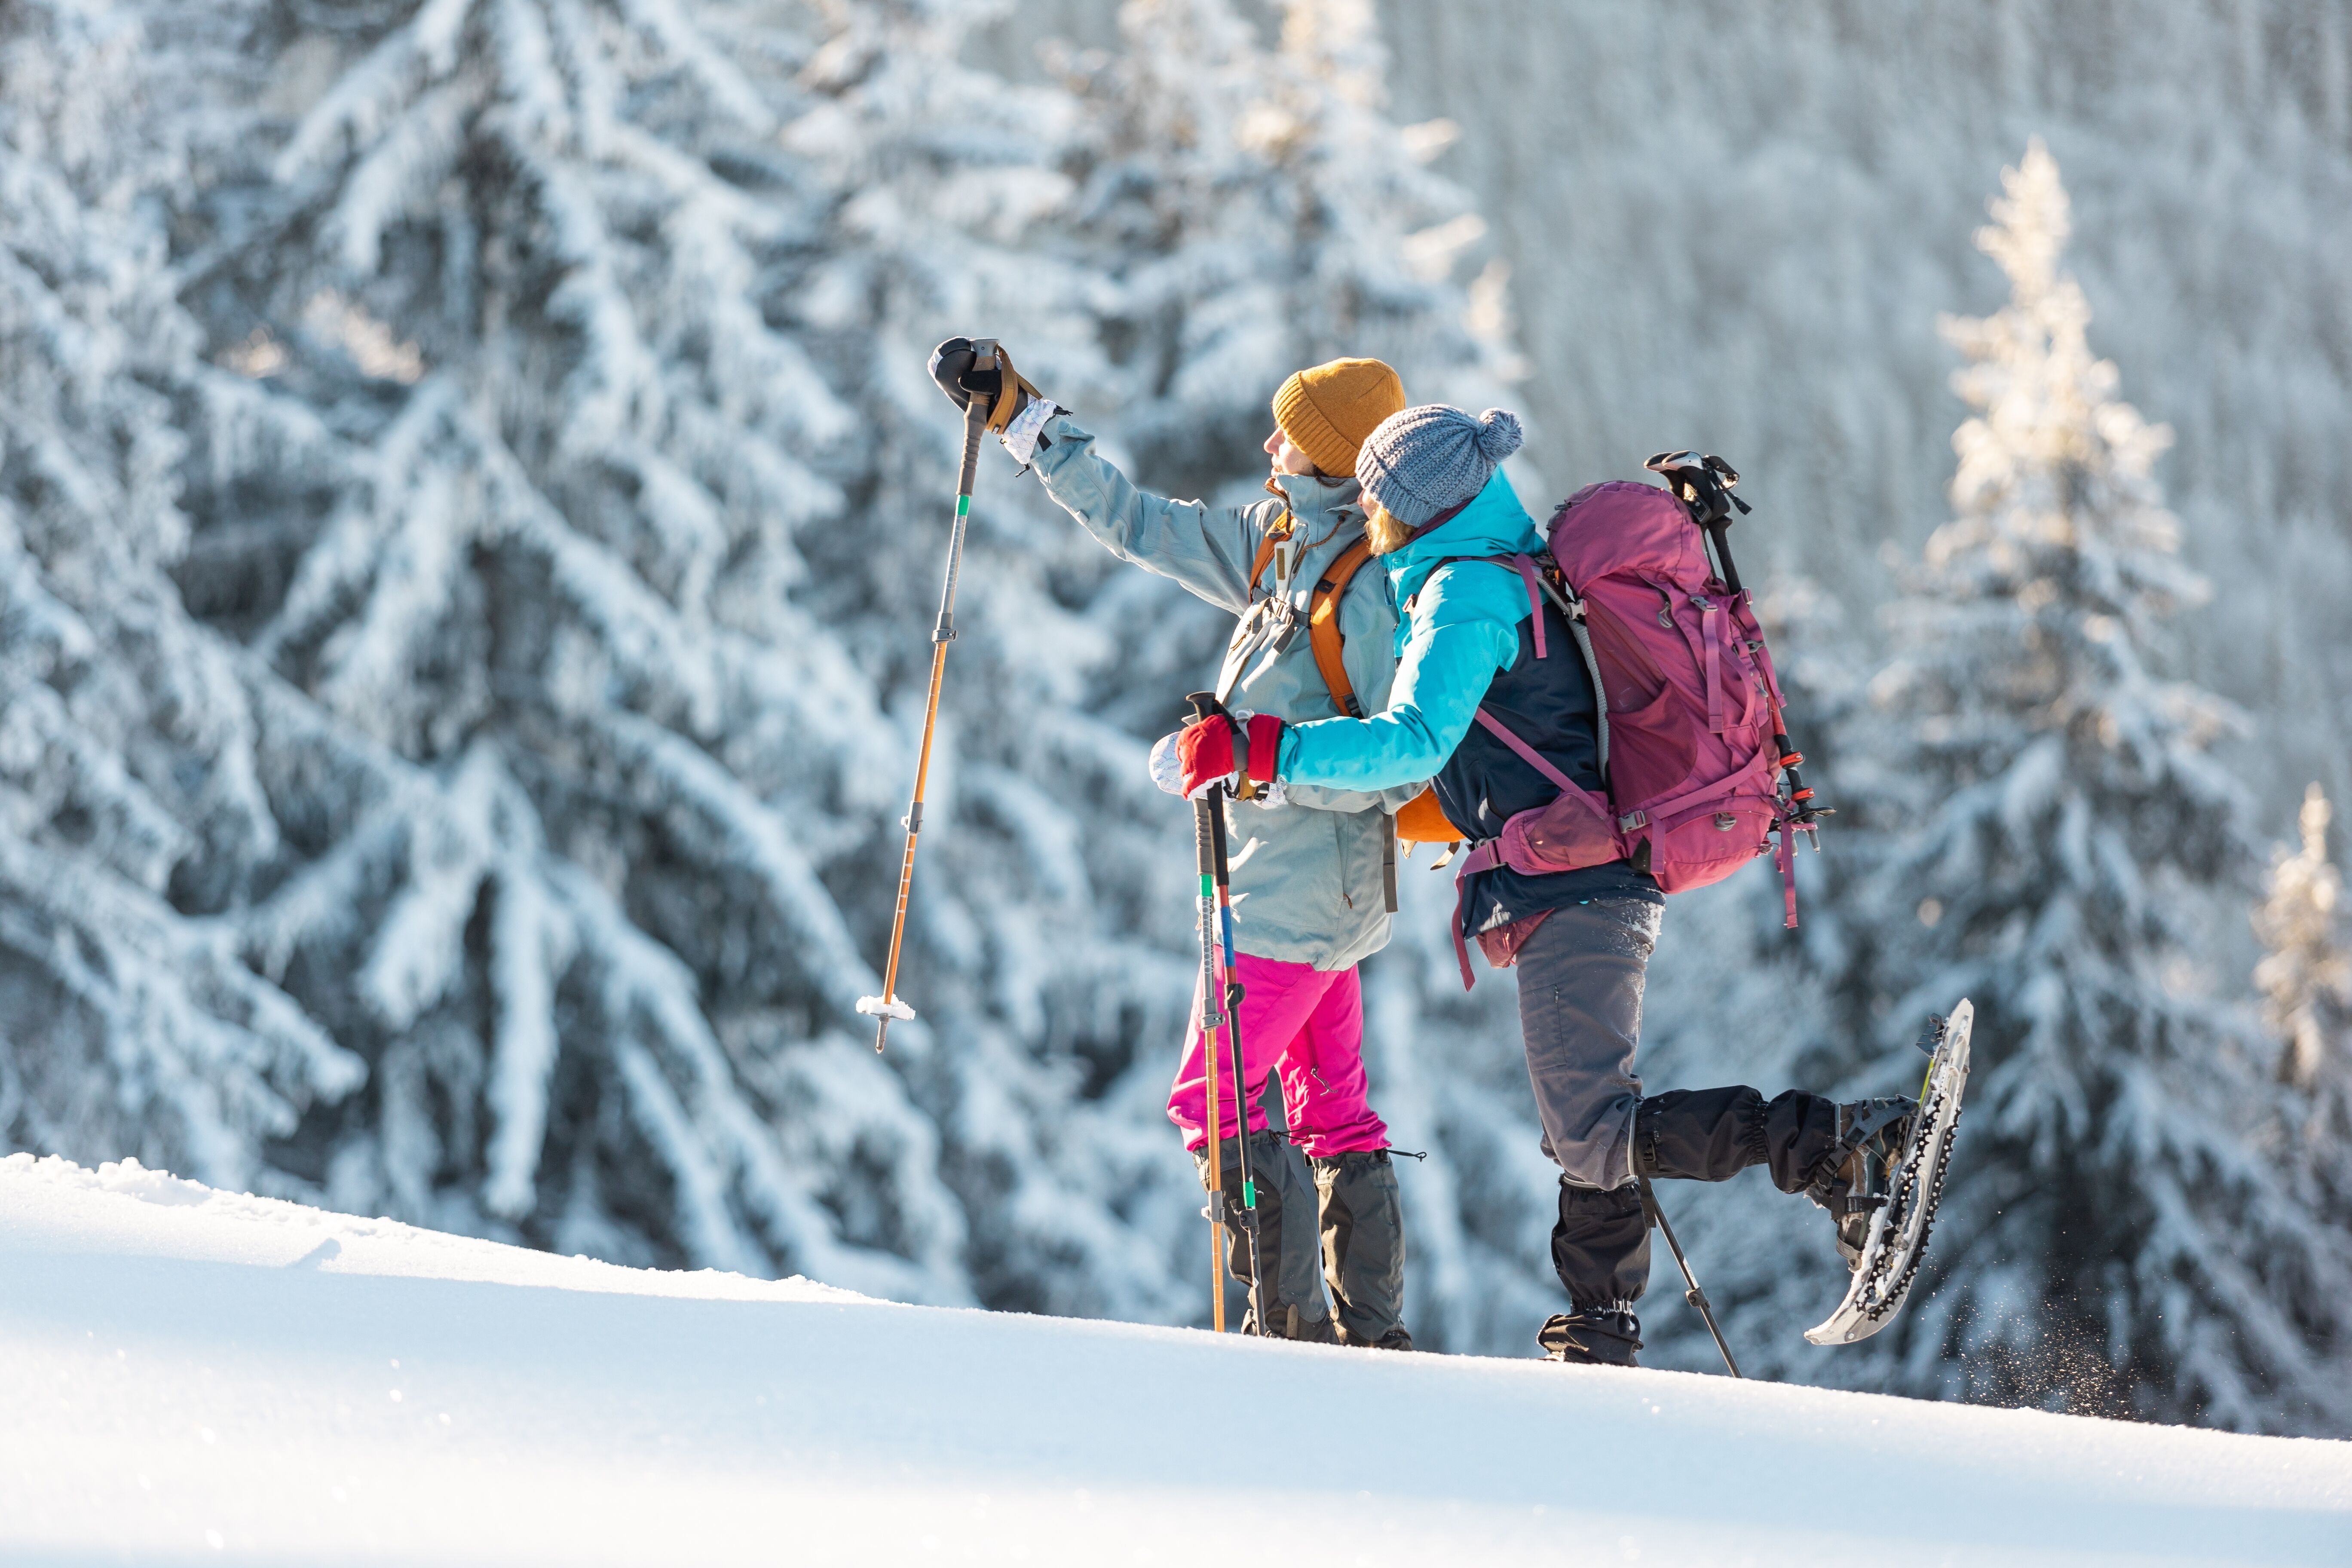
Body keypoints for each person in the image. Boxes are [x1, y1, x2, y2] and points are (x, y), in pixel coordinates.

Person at [1165, 402, 1917, 1366]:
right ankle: (1601, 1322)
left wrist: (1266, 751)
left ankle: (1835, 1150)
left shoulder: (1465, 595)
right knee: (1587, 1120)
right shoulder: (1508, 570)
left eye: (1376, 498)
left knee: (1593, 1130)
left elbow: (1414, 742)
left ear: (1414, 508)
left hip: (1576, 891)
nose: (1366, 512)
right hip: (1581, 879)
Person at [927, 339, 1423, 1349]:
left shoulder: (1366, 589)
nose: (1269, 444)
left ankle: (1290, 1332)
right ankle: (1367, 1335)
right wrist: (1025, 422)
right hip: (1304, 893)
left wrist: (1250, 758)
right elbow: (1138, 523)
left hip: (1295, 899)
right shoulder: (1281, 545)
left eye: (1290, 433)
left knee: (1215, 1101)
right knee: (1333, 1112)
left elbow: (1400, 767)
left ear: (1334, 457)